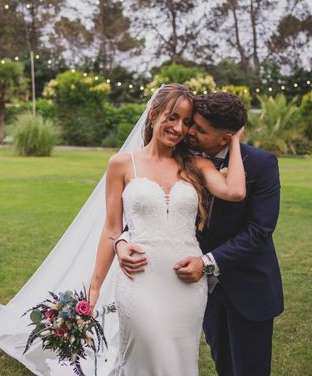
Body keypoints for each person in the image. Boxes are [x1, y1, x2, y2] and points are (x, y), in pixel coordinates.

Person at [117, 92, 283, 376]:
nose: (188, 131)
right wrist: (122, 240)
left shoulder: (261, 164)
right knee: (223, 365)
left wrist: (206, 263)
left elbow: (259, 231)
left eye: (199, 129)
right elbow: (151, 208)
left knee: (250, 370)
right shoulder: (183, 158)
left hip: (248, 286)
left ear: (225, 138)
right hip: (201, 291)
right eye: (192, 123)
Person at [88, 84, 246, 376]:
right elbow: (111, 228)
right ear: (152, 114)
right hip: (139, 280)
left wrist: (234, 141)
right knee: (149, 353)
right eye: (172, 117)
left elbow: (234, 191)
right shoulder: (122, 165)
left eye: (186, 122)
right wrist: (94, 289)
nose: (178, 128)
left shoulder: (196, 164)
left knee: (179, 362)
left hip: (186, 285)